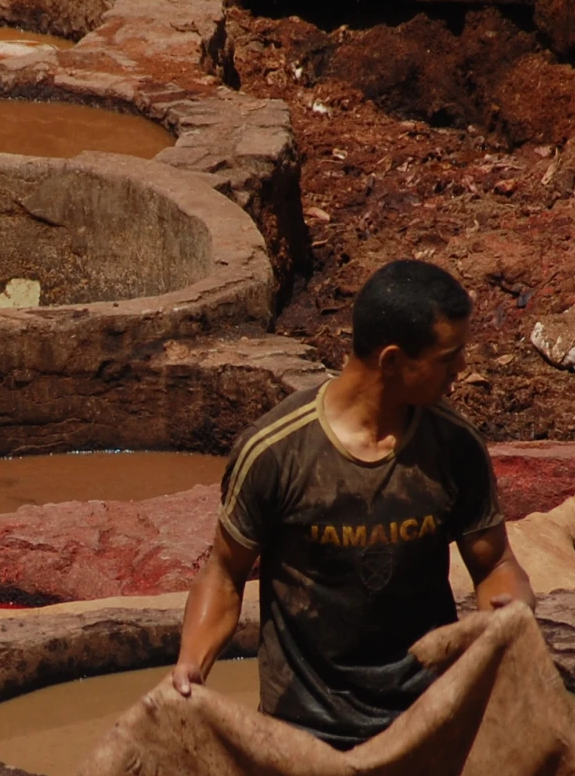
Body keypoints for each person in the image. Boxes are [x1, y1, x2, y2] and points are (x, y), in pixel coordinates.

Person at [172, 259, 530, 748]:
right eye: (448, 358)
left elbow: (494, 566)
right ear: (392, 361)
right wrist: (192, 665)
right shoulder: (276, 452)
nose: (462, 371)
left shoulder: (455, 446)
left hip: (426, 718)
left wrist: (512, 615)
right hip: (303, 729)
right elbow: (224, 573)